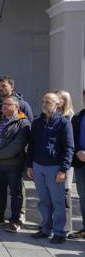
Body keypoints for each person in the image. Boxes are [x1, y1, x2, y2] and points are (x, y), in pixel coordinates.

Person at [27, 92, 74, 244]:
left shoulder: (64, 123)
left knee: (58, 201)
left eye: (48, 102)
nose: (45, 104)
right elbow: (31, 145)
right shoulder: (37, 122)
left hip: (55, 168)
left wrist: (63, 169)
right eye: (43, 101)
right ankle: (46, 229)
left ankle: (59, 232)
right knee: (44, 201)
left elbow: (69, 147)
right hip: (38, 166)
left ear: (57, 104)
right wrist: (29, 165)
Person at [0, 76, 34, 218]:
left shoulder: (23, 105)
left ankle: (20, 213)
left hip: (14, 156)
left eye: (4, 86)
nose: (0, 88)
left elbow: (27, 128)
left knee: (16, 187)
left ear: (12, 86)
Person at [55, 89, 75, 234]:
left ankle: (66, 227)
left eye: (58, 99)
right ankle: (54, 223)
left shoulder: (71, 118)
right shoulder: (54, 116)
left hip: (66, 163)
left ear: (64, 101)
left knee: (65, 193)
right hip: (53, 161)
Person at [69, 89, 85, 240]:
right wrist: (78, 151)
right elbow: (72, 138)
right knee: (83, 196)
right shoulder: (79, 117)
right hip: (81, 163)